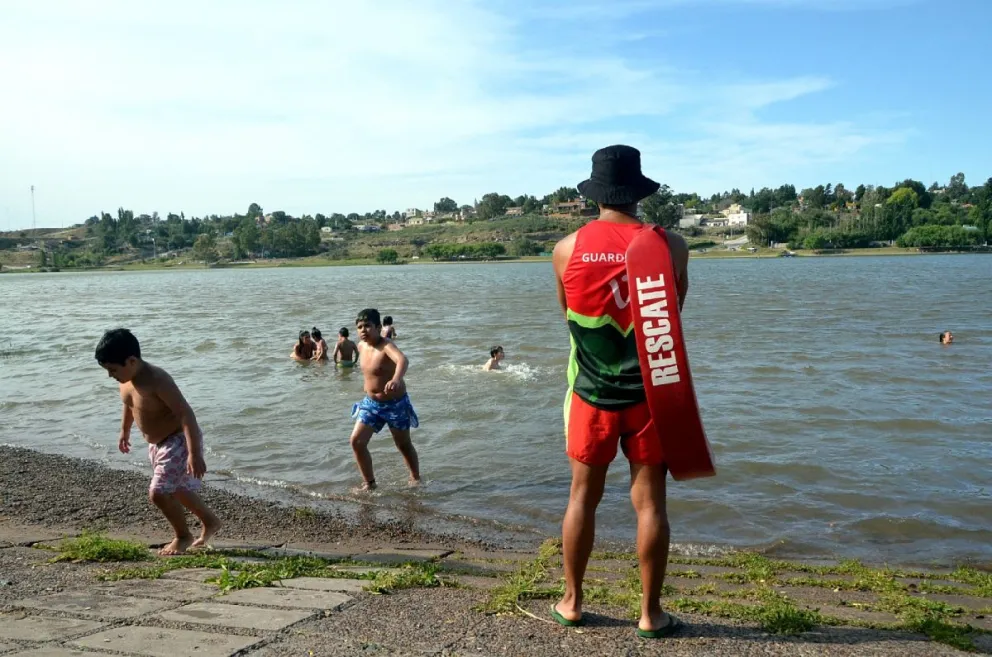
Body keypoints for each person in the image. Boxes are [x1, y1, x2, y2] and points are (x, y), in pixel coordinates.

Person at [550, 145, 689, 638]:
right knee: (651, 505)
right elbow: (673, 315)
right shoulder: (670, 246)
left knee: (581, 498)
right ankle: (650, 613)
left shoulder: (566, 249)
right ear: (638, 193)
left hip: (591, 393)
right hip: (652, 396)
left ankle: (571, 601)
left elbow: (570, 315)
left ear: (595, 195)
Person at [94, 328, 222, 555]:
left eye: (113, 370)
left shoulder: (157, 379)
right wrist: (124, 431)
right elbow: (129, 404)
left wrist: (194, 453)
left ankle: (183, 536)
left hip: (178, 441)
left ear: (131, 361)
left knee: (159, 492)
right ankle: (210, 522)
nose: (110, 375)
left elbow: (186, 414)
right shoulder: (126, 379)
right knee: (177, 488)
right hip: (158, 444)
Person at [349, 308, 420, 491]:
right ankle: (369, 483)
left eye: (367, 326)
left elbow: (403, 360)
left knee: (403, 444)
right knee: (356, 441)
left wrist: (396, 379)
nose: (363, 330)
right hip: (371, 404)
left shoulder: (386, 345)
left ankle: (415, 478)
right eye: (359, 327)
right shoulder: (361, 346)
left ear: (379, 327)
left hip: (395, 404)